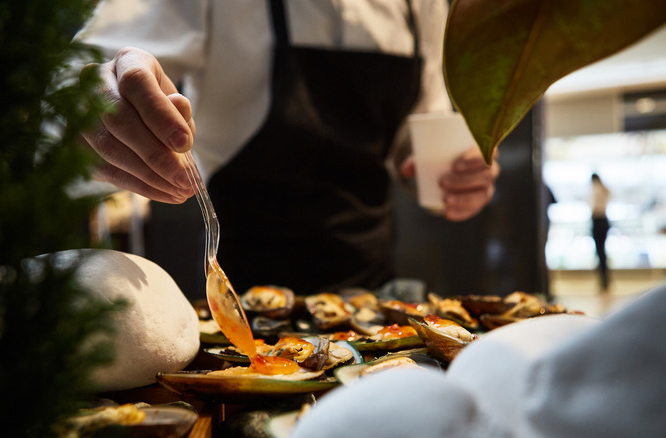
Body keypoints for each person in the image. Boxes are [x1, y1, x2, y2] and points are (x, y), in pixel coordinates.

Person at [75, 0, 500, 294]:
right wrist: (91, 99)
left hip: (371, 294)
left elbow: (417, 137)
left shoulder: (421, 5)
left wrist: (453, 174)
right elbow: (79, 78)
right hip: (239, 288)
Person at [590, 173, 611, 292]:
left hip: (598, 220)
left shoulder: (595, 189)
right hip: (604, 220)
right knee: (602, 251)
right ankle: (605, 278)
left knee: (599, 251)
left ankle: (603, 279)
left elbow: (594, 207)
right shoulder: (605, 189)